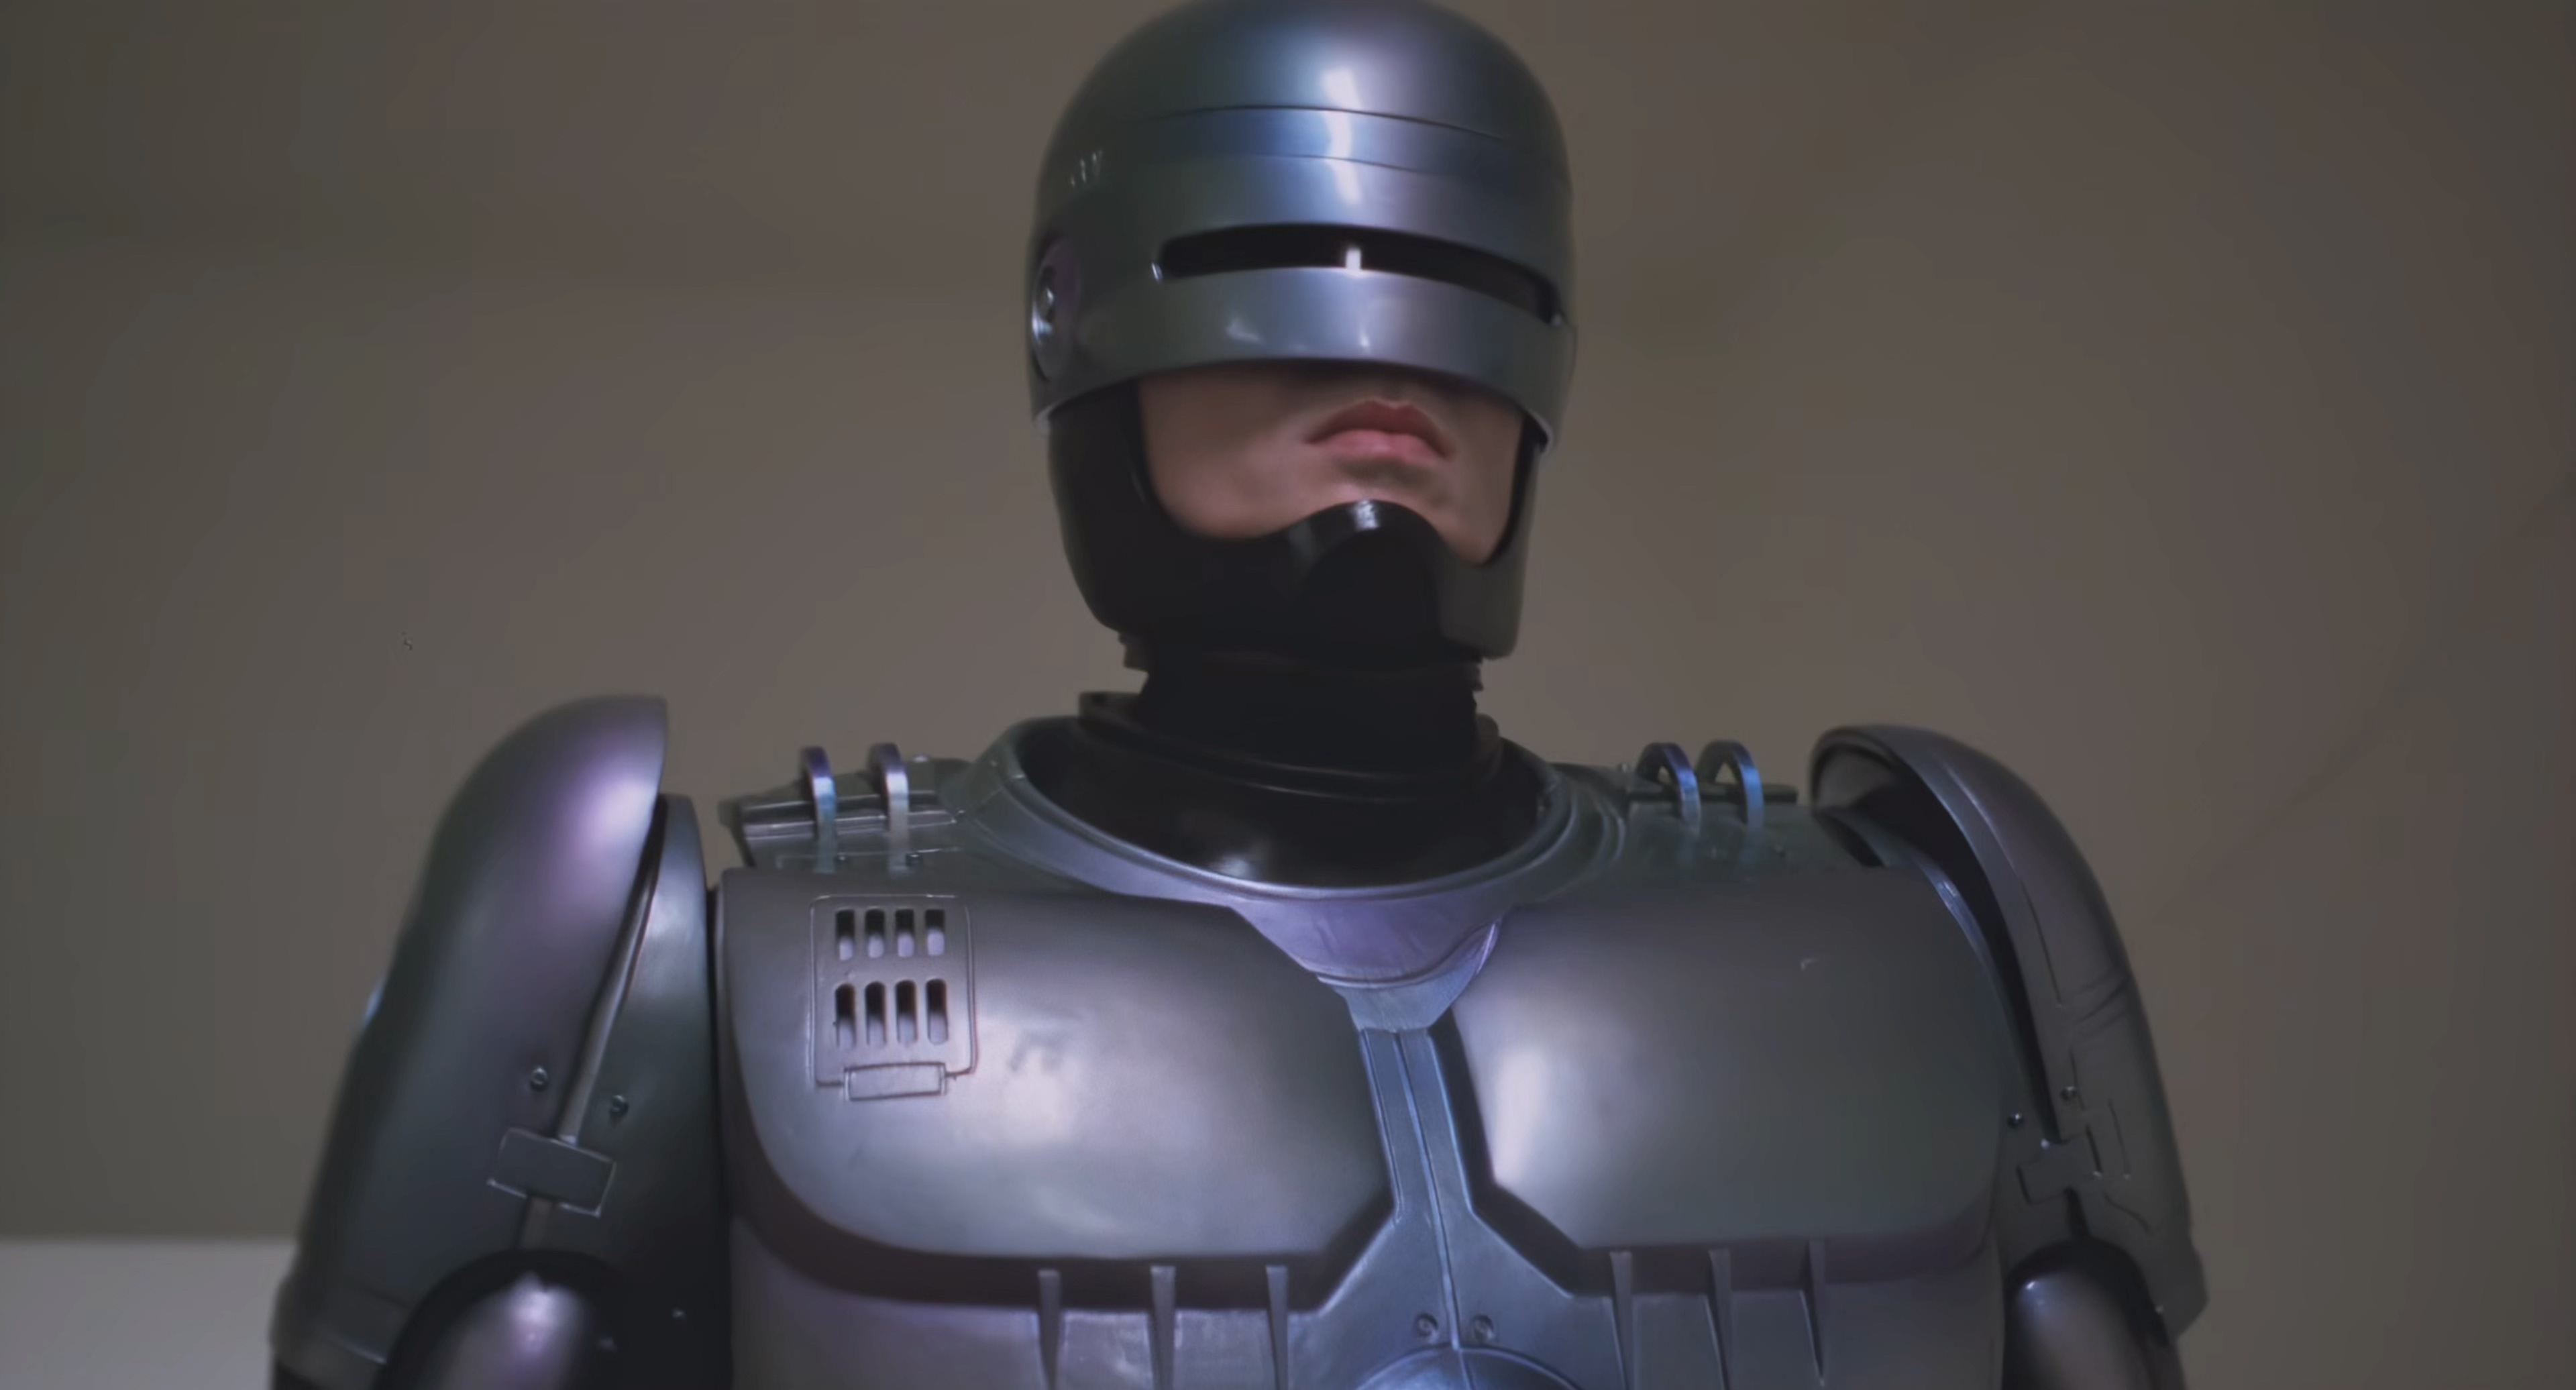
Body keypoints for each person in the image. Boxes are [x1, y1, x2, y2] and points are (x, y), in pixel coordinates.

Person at [269, 2, 2204, 1387]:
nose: (1385, 367)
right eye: (1273, 262)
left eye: (1461, 293)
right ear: (1086, 335)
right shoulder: (667, 959)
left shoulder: (1920, 921)